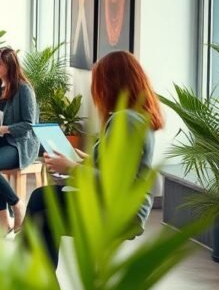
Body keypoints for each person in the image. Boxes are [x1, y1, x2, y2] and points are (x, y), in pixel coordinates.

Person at [25, 50, 164, 268]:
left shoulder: (125, 120)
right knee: (41, 201)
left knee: (42, 214)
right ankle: (34, 288)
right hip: (118, 204)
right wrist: (84, 159)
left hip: (119, 211)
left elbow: (114, 182)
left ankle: (30, 288)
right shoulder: (135, 117)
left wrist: (71, 168)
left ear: (112, 84)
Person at [0, 47, 40, 234]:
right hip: (1, 142)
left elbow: (29, 124)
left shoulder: (24, 89)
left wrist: (1, 129)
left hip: (20, 144)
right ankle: (5, 222)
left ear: (10, 65)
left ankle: (18, 205)